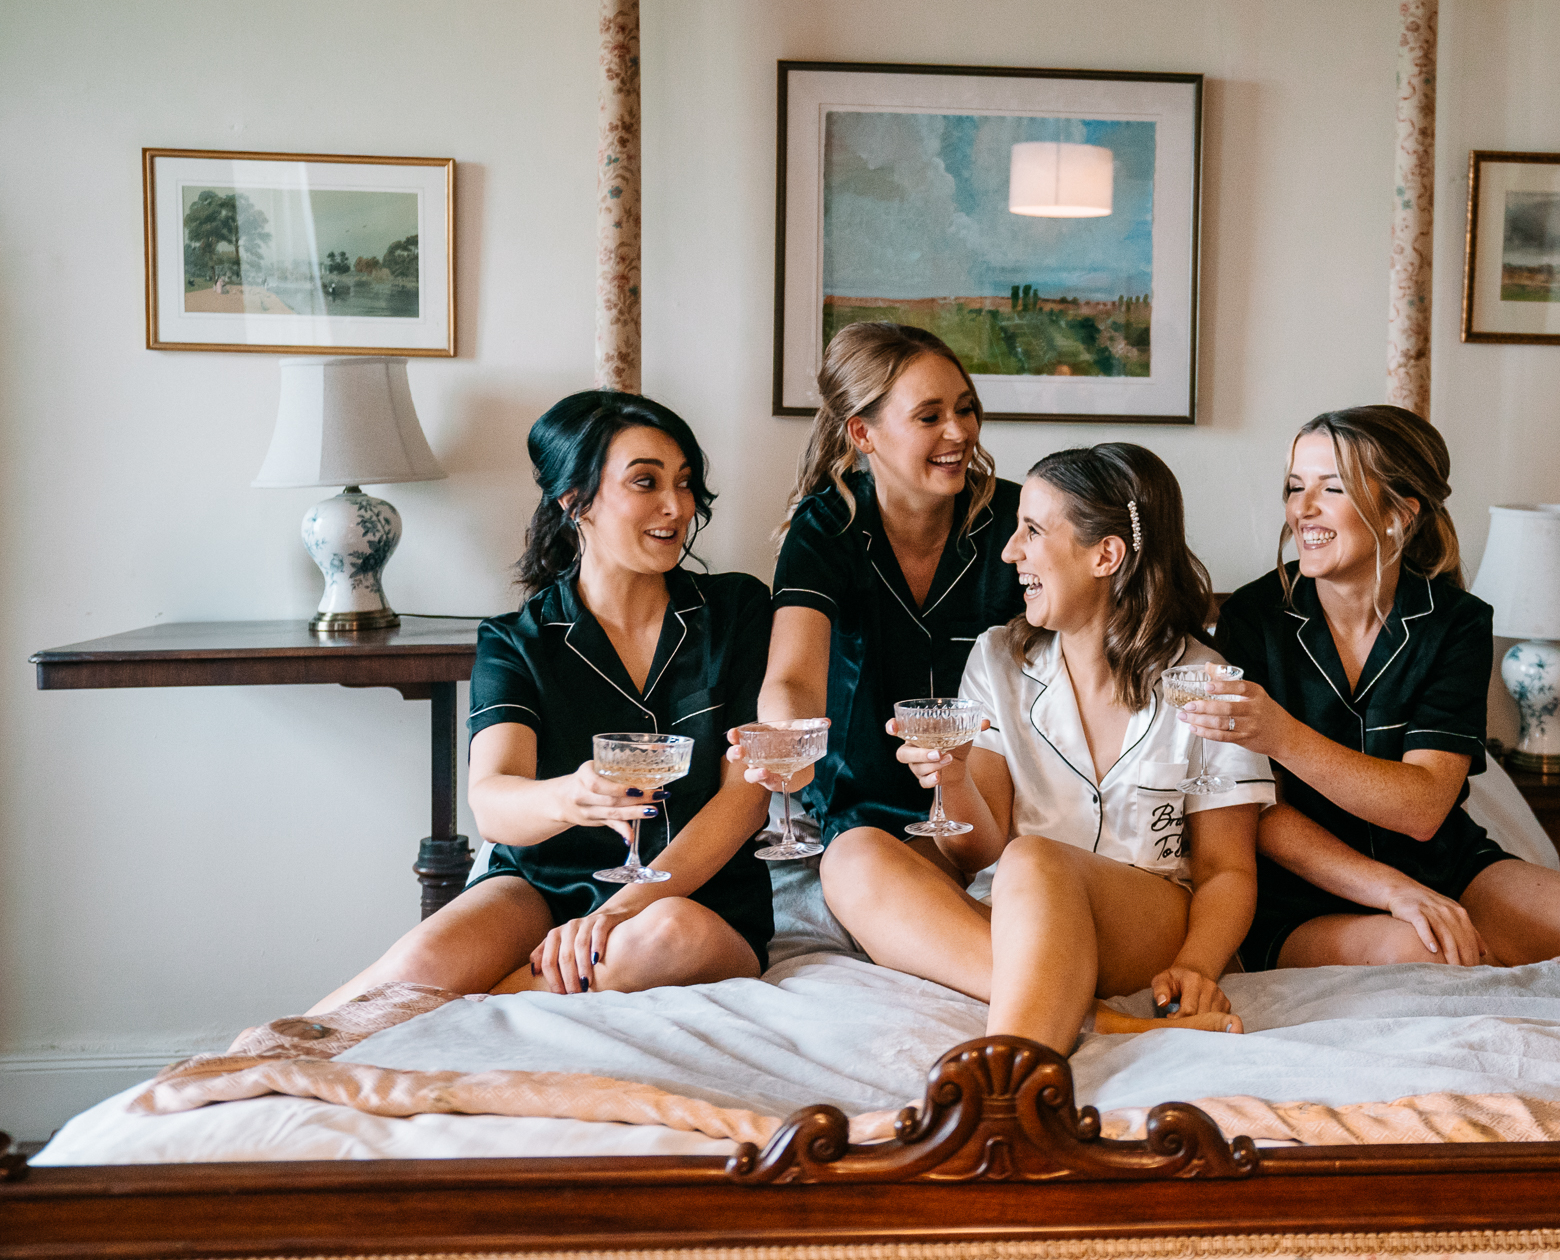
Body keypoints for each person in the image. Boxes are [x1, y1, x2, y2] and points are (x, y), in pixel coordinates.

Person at [1187, 405, 1560, 1000]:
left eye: (1330, 488)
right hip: (1303, 894)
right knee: (1431, 960)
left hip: (1448, 867)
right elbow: (1260, 812)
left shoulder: (1457, 623)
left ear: (1398, 514)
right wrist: (1390, 890)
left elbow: (1424, 807)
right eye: (1294, 487)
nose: (1302, 508)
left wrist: (1279, 733)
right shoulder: (1252, 621)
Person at [307, 392, 773, 1013]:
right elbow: (494, 805)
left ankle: (437, 1025)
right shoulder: (516, 641)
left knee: (662, 937)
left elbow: (744, 799)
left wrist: (616, 914)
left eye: (685, 483)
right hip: (541, 888)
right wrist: (570, 797)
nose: (676, 506)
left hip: (700, 898)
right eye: (646, 482)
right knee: (416, 966)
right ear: (574, 501)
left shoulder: (737, 611)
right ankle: (257, 1058)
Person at [821, 444, 1274, 1055]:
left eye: (1032, 531)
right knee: (852, 854)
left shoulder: (1207, 682)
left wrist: (1196, 966)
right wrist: (951, 780)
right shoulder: (997, 660)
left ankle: (1006, 1078)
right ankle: (1094, 1017)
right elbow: (977, 850)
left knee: (1033, 859)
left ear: (1105, 555)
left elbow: (1227, 869)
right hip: (1017, 909)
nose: (1010, 552)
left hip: (1145, 921)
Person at [743, 322, 1024, 861]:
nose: (960, 432)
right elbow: (794, 675)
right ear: (863, 434)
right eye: (930, 416)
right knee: (868, 867)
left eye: (965, 409)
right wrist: (784, 740)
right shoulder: (826, 526)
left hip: (992, 807)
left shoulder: (1015, 519)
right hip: (863, 814)